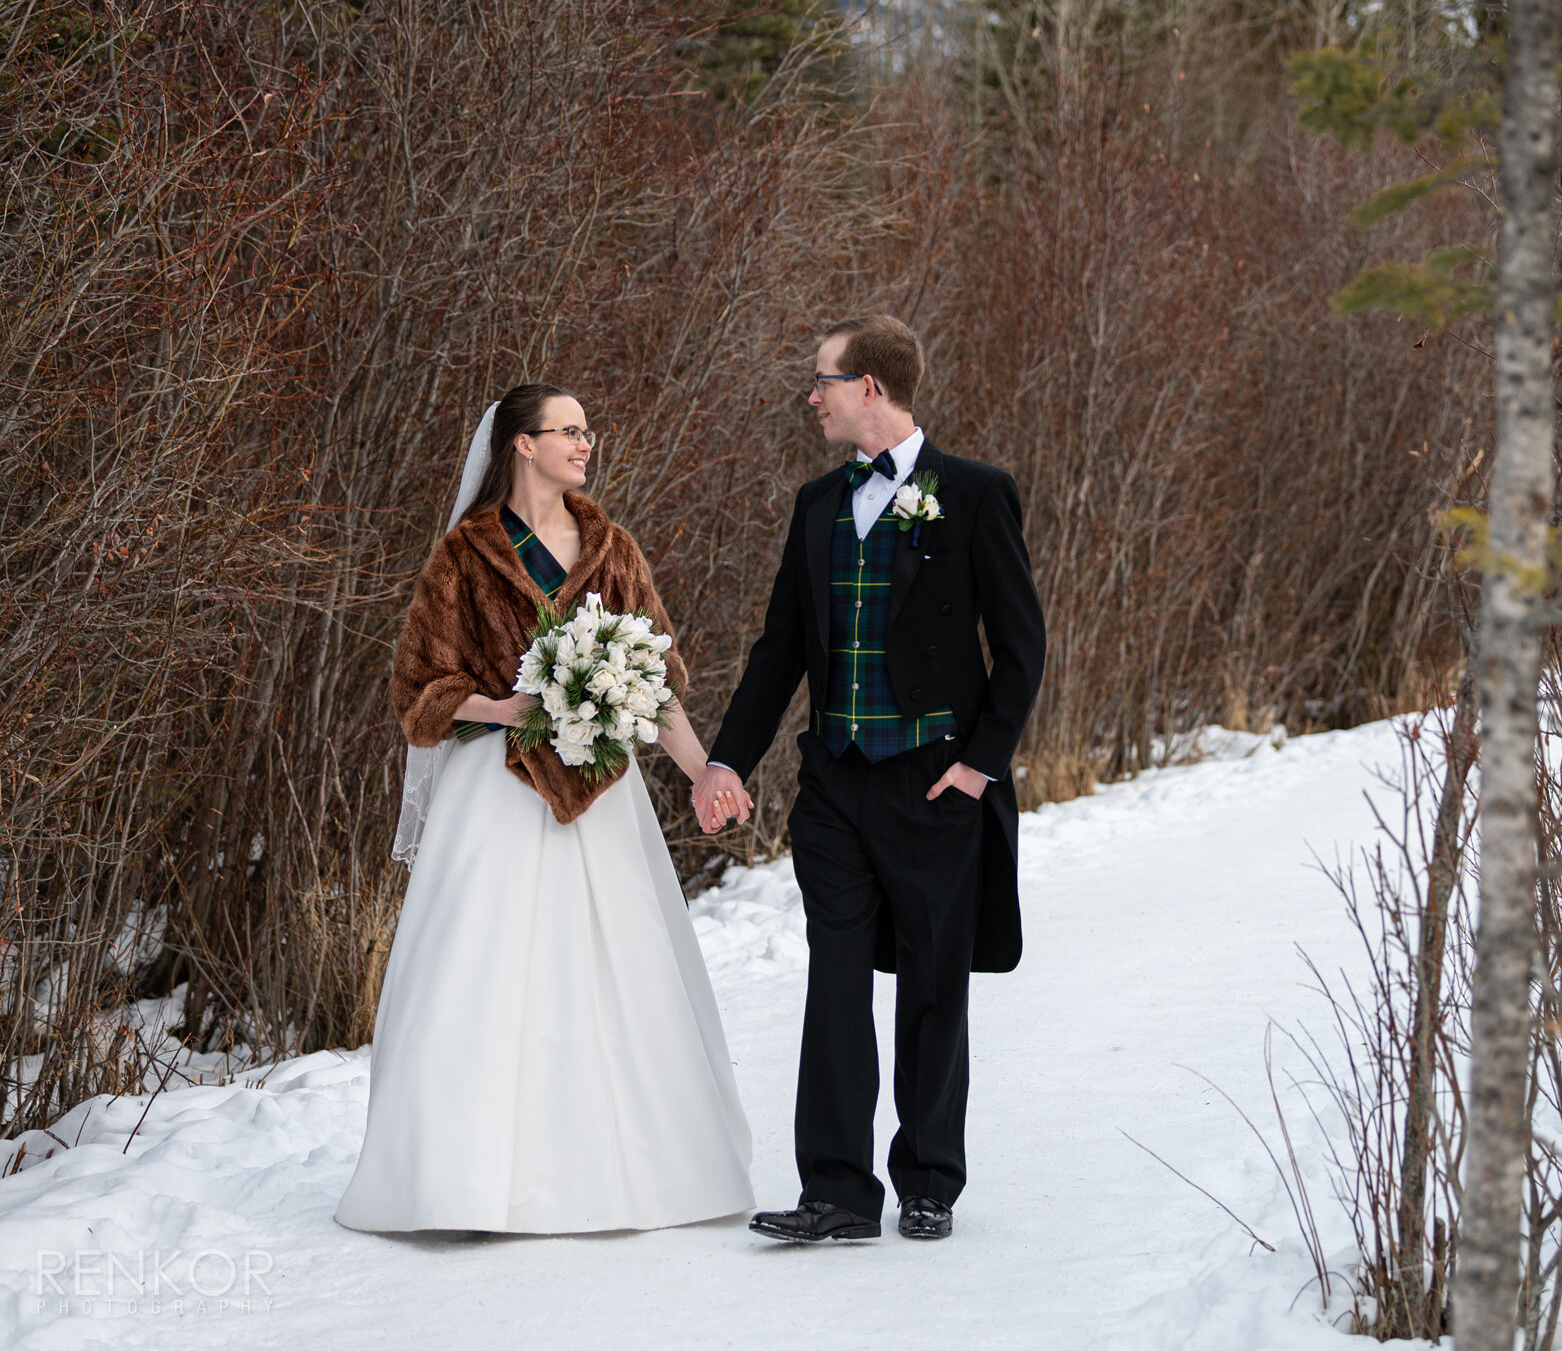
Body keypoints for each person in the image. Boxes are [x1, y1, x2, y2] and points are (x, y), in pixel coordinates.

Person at [335, 385, 754, 1234]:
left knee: (614, 976)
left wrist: (703, 770)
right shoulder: (462, 555)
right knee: (479, 978)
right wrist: (508, 706)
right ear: (521, 445)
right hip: (493, 791)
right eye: (567, 431)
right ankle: (460, 1182)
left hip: (599, 793)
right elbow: (418, 692)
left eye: (587, 432)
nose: (584, 444)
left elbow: (657, 686)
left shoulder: (614, 548)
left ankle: (634, 1176)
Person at [693, 315, 1045, 1243]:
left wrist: (979, 765)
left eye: (823, 381)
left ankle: (929, 1178)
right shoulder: (816, 505)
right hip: (835, 786)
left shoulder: (973, 494)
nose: (811, 396)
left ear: (872, 388)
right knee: (836, 983)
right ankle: (839, 1193)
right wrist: (727, 755)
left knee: (933, 981)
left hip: (934, 780)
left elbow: (1021, 648)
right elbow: (779, 656)